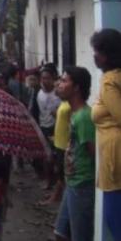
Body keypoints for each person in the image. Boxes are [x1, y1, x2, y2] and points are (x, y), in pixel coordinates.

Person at [52, 66, 95, 241]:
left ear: (76, 87)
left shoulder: (84, 117)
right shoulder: (75, 113)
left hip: (82, 186)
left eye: (64, 80)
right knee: (61, 233)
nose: (59, 84)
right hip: (73, 183)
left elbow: (94, 153)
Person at [90, 29, 121, 240]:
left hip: (115, 156)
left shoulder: (110, 81)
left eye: (97, 52)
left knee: (114, 218)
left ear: (107, 54)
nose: (94, 56)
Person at [36, 64, 61, 191]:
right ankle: (48, 180)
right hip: (43, 127)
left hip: (56, 127)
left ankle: (55, 182)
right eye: (43, 78)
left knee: (55, 157)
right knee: (46, 156)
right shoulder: (38, 92)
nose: (45, 81)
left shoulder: (58, 94)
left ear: (53, 78)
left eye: (47, 78)